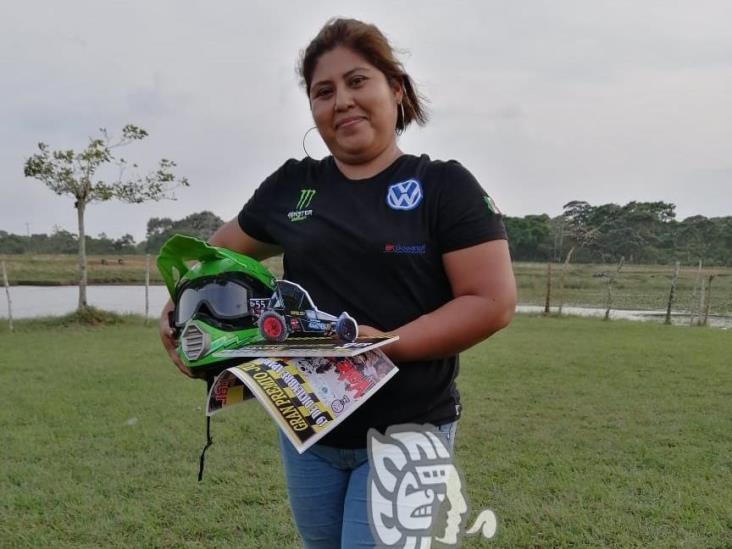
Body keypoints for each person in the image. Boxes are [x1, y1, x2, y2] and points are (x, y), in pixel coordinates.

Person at [160, 17, 516, 548]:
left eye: (357, 81)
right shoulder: (292, 187)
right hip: (308, 429)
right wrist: (178, 310)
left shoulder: (444, 186)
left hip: (408, 430)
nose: (341, 101)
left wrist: (386, 344)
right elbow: (214, 258)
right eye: (323, 91)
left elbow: (491, 300)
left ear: (395, 89)